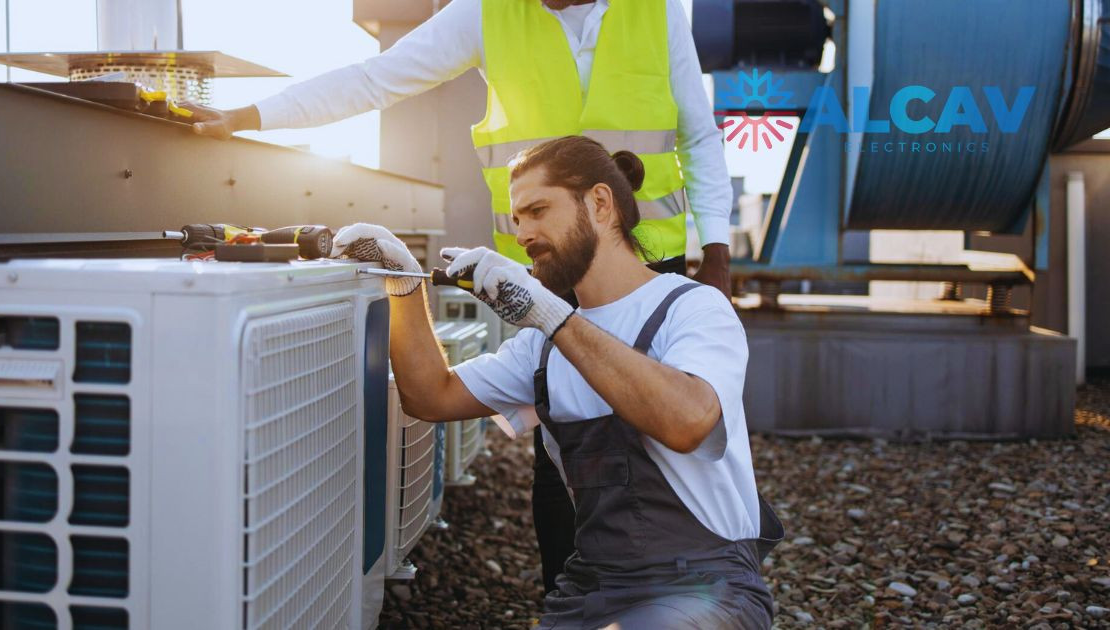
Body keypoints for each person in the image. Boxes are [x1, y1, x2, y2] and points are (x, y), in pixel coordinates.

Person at [185, 0, 738, 594]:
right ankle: (578, 595)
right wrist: (249, 114)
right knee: (563, 449)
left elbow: (698, 135)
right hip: (552, 276)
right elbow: (377, 79)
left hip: (647, 266)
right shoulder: (486, 13)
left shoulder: (655, 12)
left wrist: (718, 257)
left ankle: (689, 580)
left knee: (661, 433)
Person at [330, 136, 781, 628]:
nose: (523, 233)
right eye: (516, 219)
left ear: (601, 204)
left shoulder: (691, 307)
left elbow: (688, 420)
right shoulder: (543, 346)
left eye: (538, 210)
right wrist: (403, 286)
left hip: (707, 587)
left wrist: (548, 314)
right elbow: (430, 395)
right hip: (592, 587)